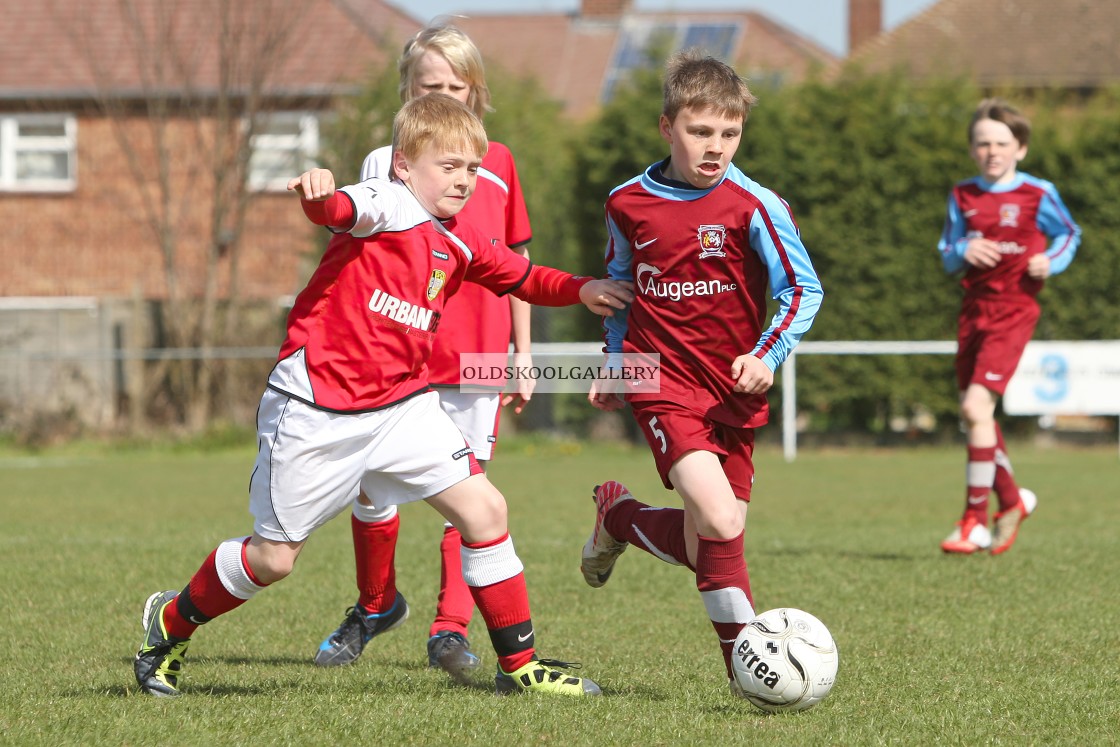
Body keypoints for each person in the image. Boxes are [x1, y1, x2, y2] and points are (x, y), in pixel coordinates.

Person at [133, 93, 633, 698]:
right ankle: (170, 623)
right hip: (317, 410)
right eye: (448, 166)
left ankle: (520, 668)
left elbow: (523, 277)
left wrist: (585, 290)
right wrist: (320, 194)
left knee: (486, 511)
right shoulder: (387, 202)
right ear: (403, 164)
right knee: (273, 561)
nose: (463, 180)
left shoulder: (462, 239)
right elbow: (341, 209)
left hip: (402, 407)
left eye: (472, 169)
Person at [579, 50, 824, 698]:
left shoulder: (756, 204)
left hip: (734, 390)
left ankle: (620, 515)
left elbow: (803, 289)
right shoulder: (628, 202)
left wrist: (766, 354)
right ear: (667, 126)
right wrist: (614, 361)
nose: (716, 147)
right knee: (719, 518)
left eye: (730, 132)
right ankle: (751, 672)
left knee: (708, 538)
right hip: (660, 380)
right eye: (700, 131)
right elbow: (619, 289)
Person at [312, 22, 536, 678]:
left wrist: (523, 352)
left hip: (478, 354)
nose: (444, 95)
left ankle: (449, 629)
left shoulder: (500, 163)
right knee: (369, 487)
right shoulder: (385, 165)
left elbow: (518, 260)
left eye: (456, 86)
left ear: (477, 92)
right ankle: (376, 602)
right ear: (407, 94)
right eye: (428, 85)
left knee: (467, 493)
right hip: (399, 355)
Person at [937, 98, 1080, 555]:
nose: (992, 151)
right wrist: (963, 251)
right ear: (972, 150)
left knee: (977, 408)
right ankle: (1014, 500)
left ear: (1020, 148)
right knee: (975, 414)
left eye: (1001, 143)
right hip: (973, 309)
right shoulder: (962, 195)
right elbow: (946, 252)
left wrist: (1048, 261)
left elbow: (1069, 234)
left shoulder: (1038, 193)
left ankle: (973, 520)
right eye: (983, 143)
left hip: (1014, 310)